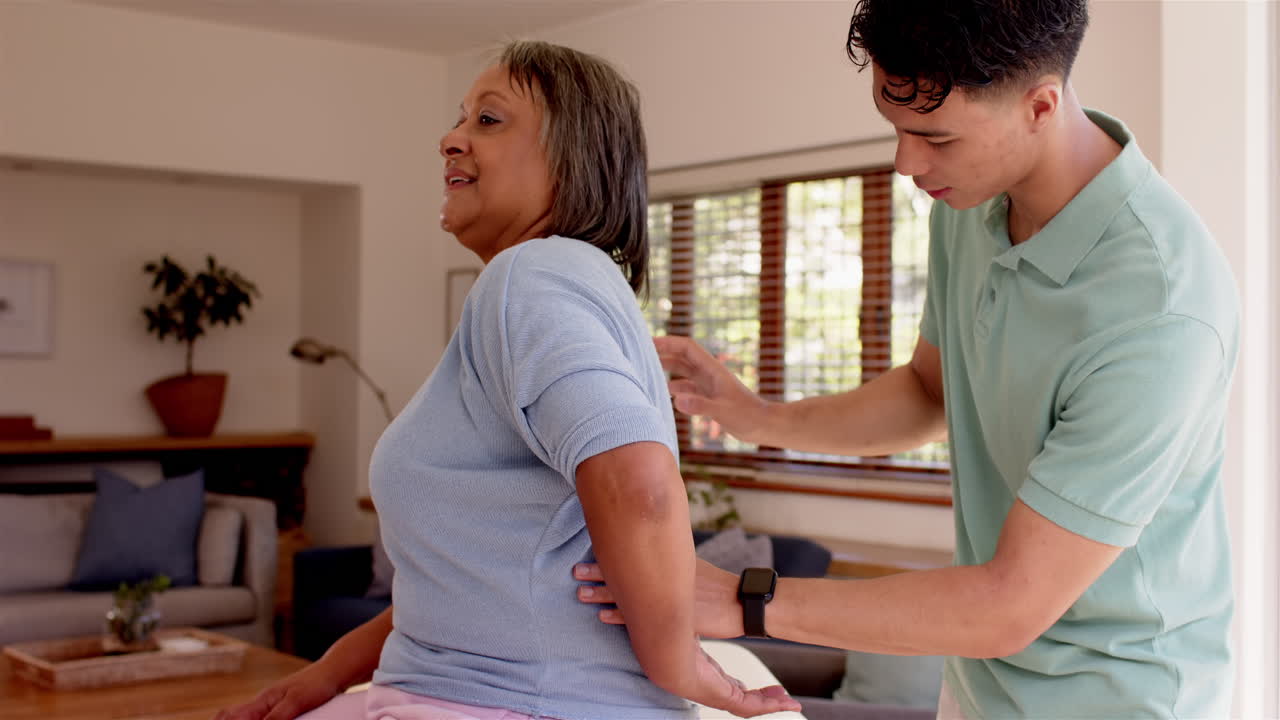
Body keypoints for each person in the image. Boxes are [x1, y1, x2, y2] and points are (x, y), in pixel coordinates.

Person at [576, 1, 1239, 718]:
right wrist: (755, 417)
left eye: (935, 137)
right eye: (897, 130)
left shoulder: (1158, 308)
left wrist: (747, 599)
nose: (907, 163)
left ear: (1040, 106)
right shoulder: (969, 210)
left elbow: (1010, 601)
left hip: (1117, 701)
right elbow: (929, 392)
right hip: (983, 680)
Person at [215, 41, 800, 720]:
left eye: (487, 121)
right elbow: (483, 577)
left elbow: (639, 486)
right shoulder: (561, 285)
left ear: (570, 160)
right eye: (460, 118)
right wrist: (332, 672)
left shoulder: (532, 277)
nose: (450, 139)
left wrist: (683, 665)